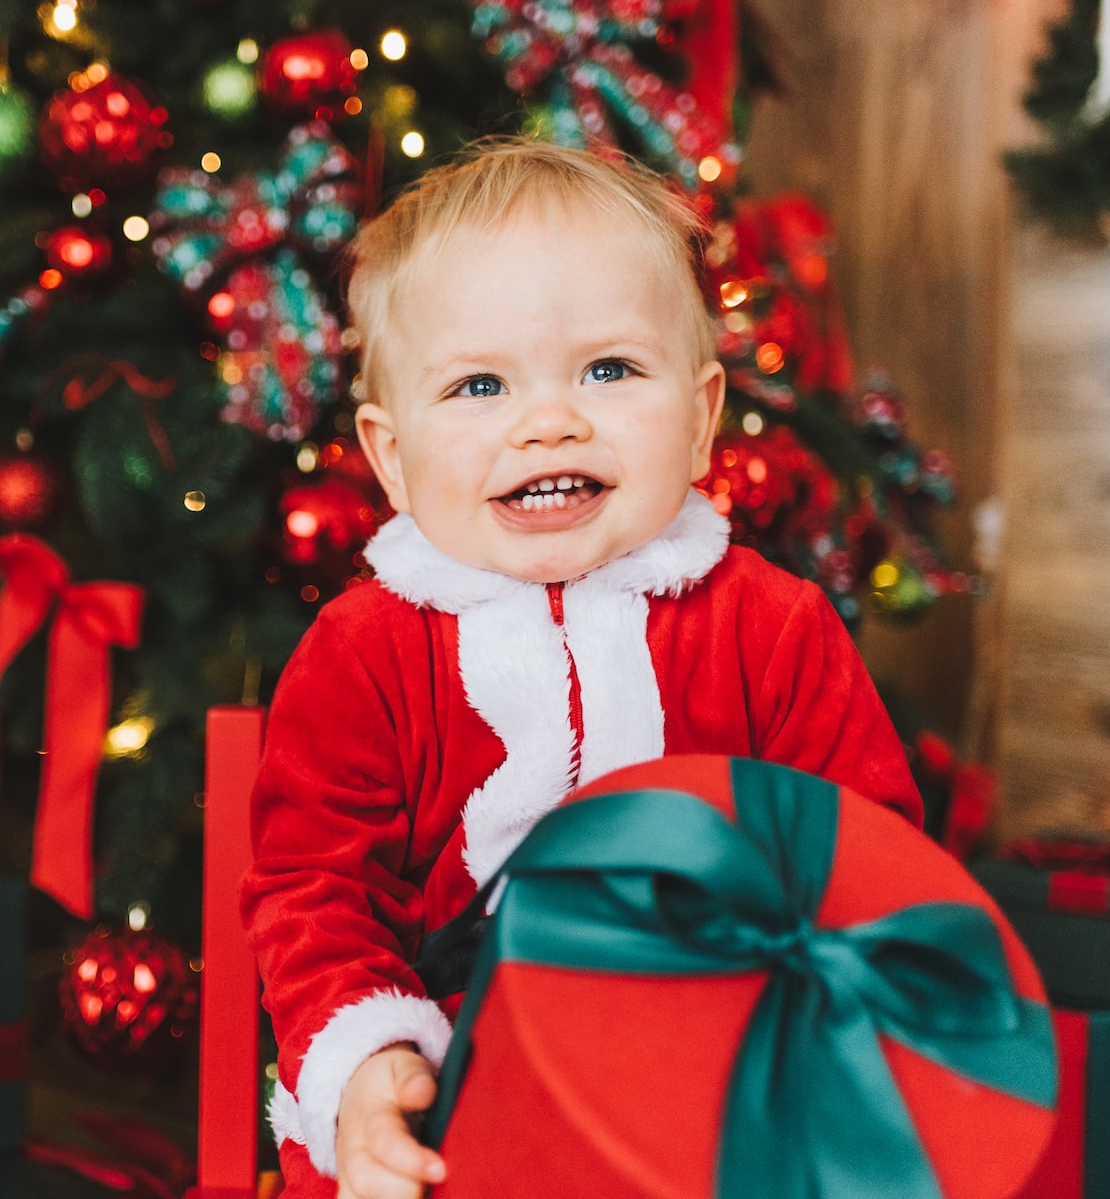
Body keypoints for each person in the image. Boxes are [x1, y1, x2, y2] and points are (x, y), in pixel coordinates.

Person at [240, 139, 922, 1199]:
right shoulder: (364, 650)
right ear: (388, 455)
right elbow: (316, 896)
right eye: (478, 385)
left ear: (699, 421)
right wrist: (371, 1066)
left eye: (610, 370)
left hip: (719, 1092)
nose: (548, 419)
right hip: (456, 1108)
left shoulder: (772, 628)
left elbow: (868, 867)